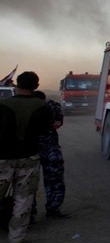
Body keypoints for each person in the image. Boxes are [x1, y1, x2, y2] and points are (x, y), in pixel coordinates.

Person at [0, 71, 52, 243]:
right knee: (23, 200)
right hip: (29, 158)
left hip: (3, 159)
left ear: (16, 85)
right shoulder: (42, 106)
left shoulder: (4, 105)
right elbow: (46, 131)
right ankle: (16, 241)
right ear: (36, 86)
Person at [31, 90, 69, 220]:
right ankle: (53, 208)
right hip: (50, 149)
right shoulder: (52, 105)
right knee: (54, 180)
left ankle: (29, 213)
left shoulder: (25, 106)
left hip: (30, 150)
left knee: (28, 183)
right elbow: (58, 123)